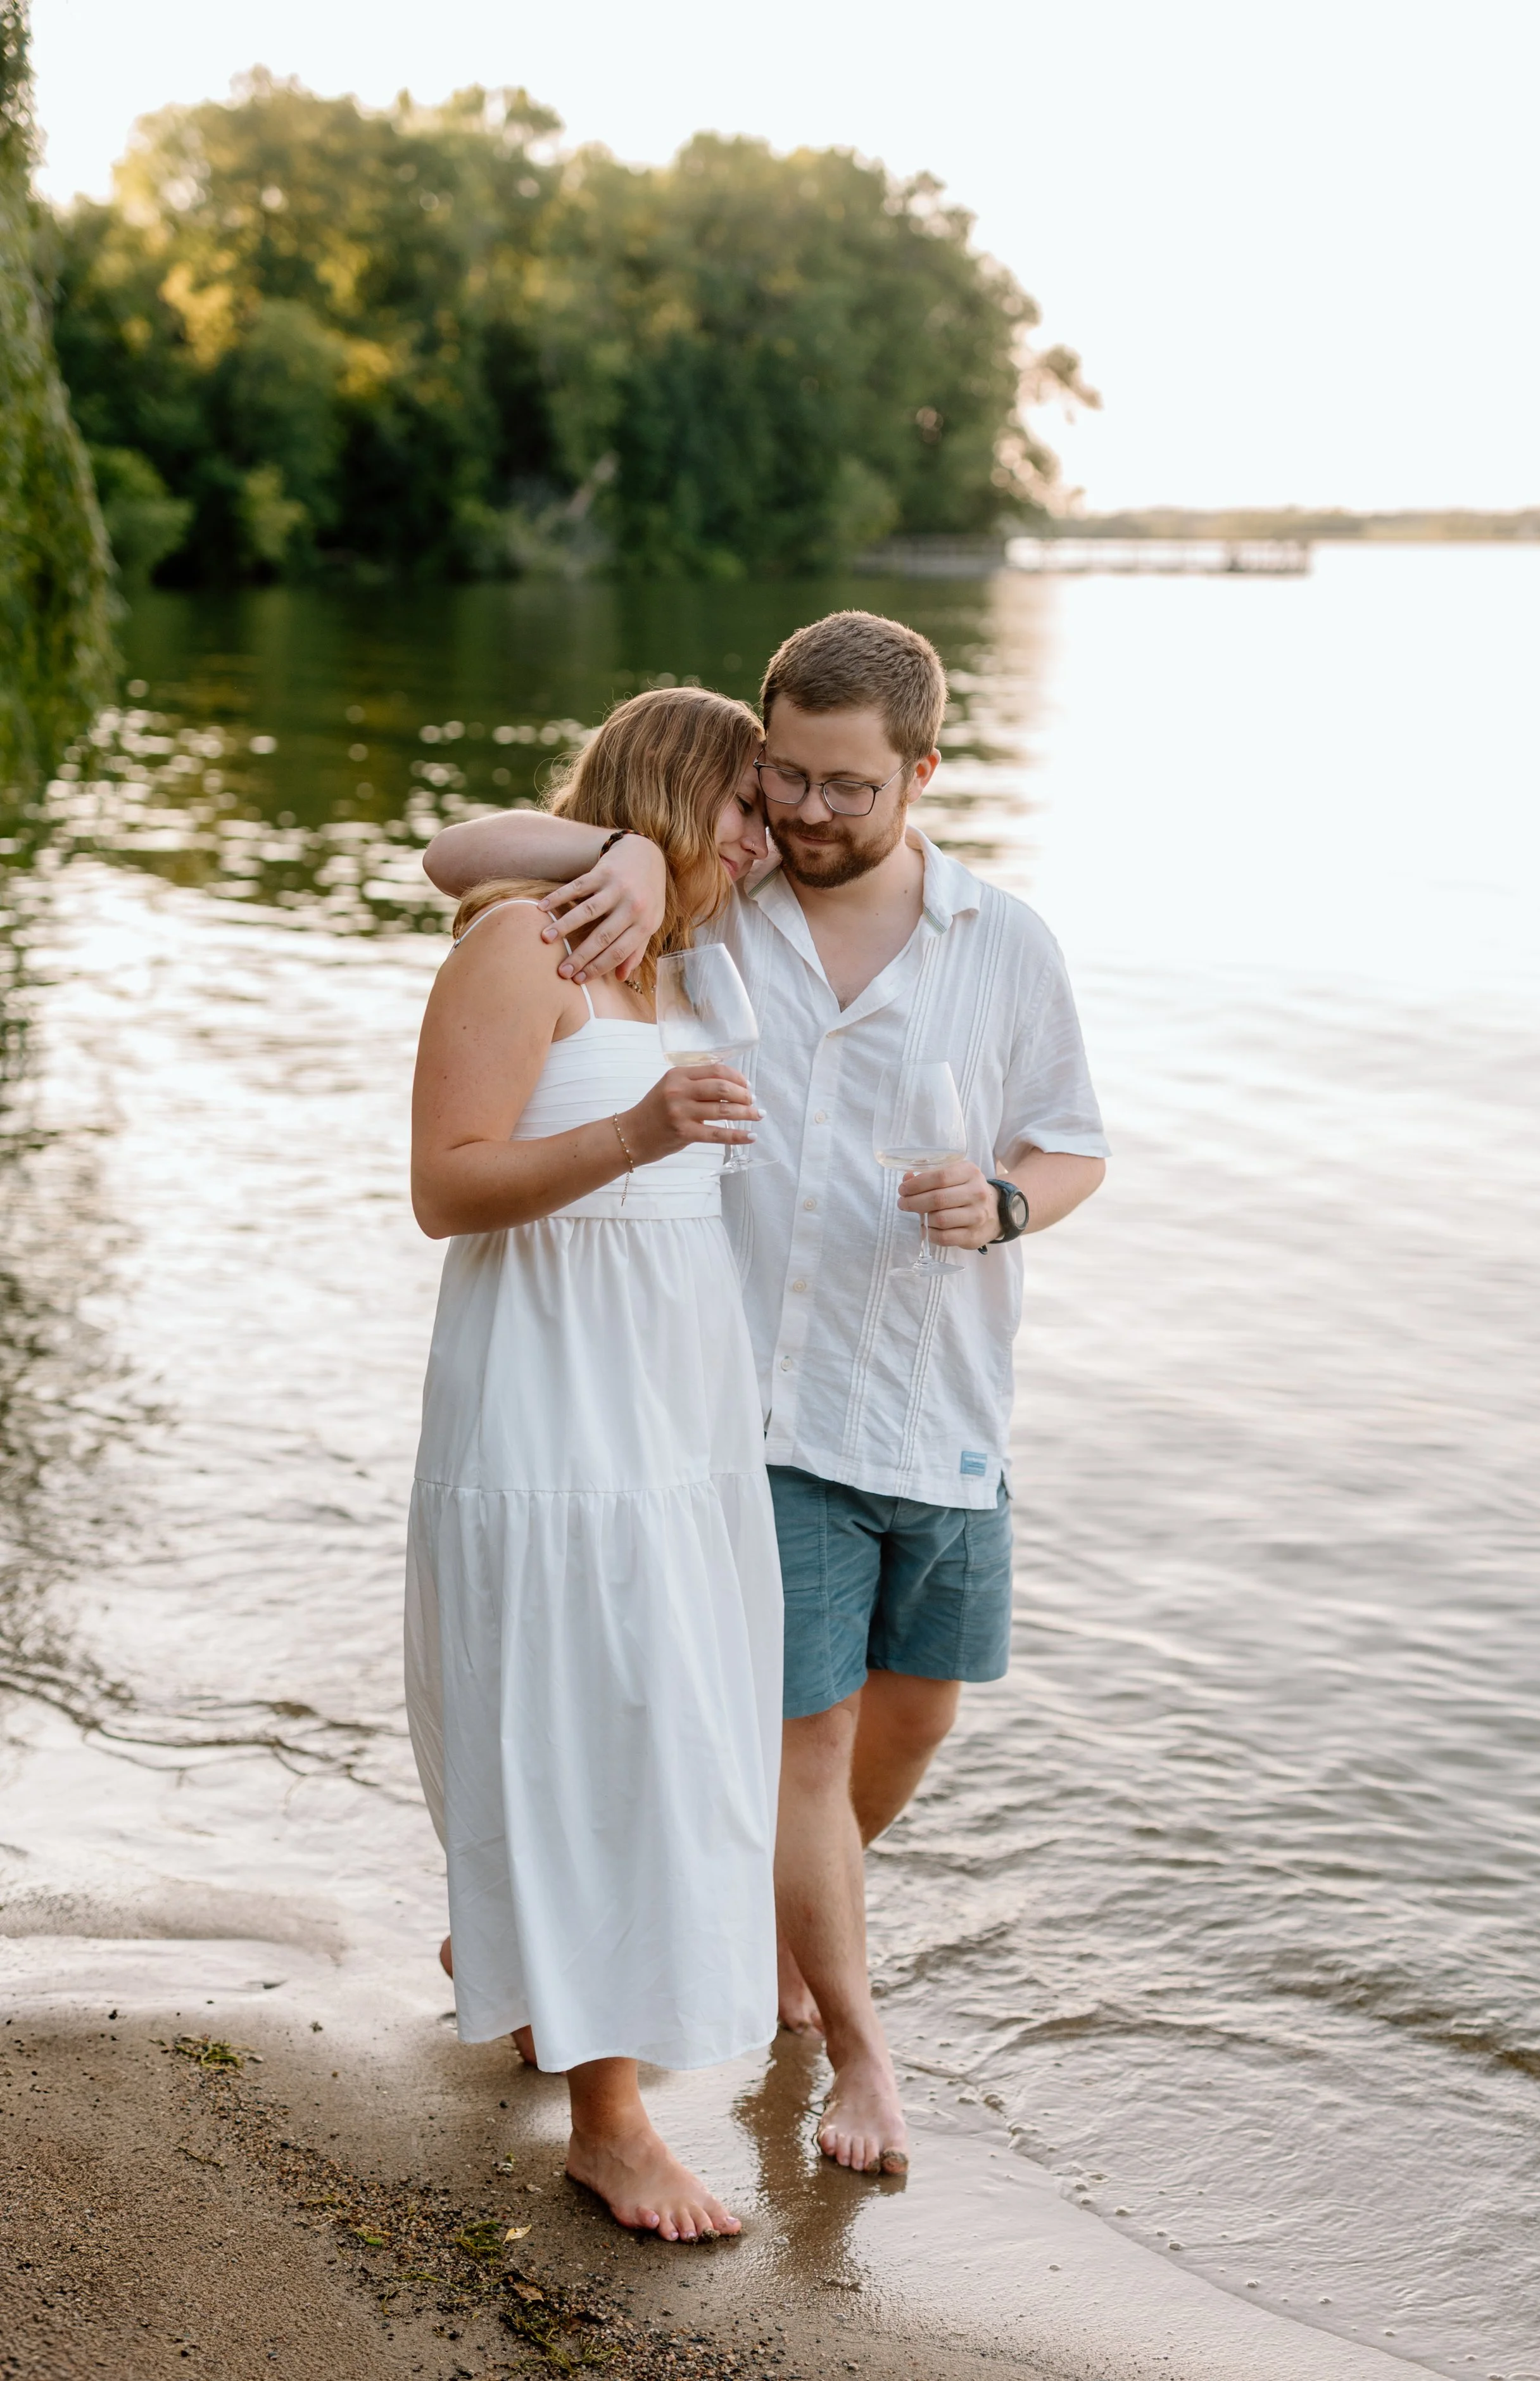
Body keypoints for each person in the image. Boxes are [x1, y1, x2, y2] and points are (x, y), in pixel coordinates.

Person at [423, 610, 1108, 2181]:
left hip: (938, 1401)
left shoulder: (1002, 942)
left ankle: (744, 1914)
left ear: (921, 773)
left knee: (913, 1716)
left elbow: (1070, 1139)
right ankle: (842, 2038)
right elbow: (463, 860)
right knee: (787, 1739)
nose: (800, 813)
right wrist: (623, 845)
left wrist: (1004, 1202)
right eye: (777, 778)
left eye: (840, 789)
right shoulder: (706, 914)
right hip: (738, 1415)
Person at [405, 685, 783, 2244]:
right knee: (584, 1721)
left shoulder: (696, 968)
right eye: (745, 810)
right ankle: (607, 2123)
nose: (769, 841)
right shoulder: (524, 948)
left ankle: (515, 1964)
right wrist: (635, 1135)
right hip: (550, 1413)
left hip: (672, 1428)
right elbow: (445, 1185)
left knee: (650, 1720)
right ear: (671, 801)